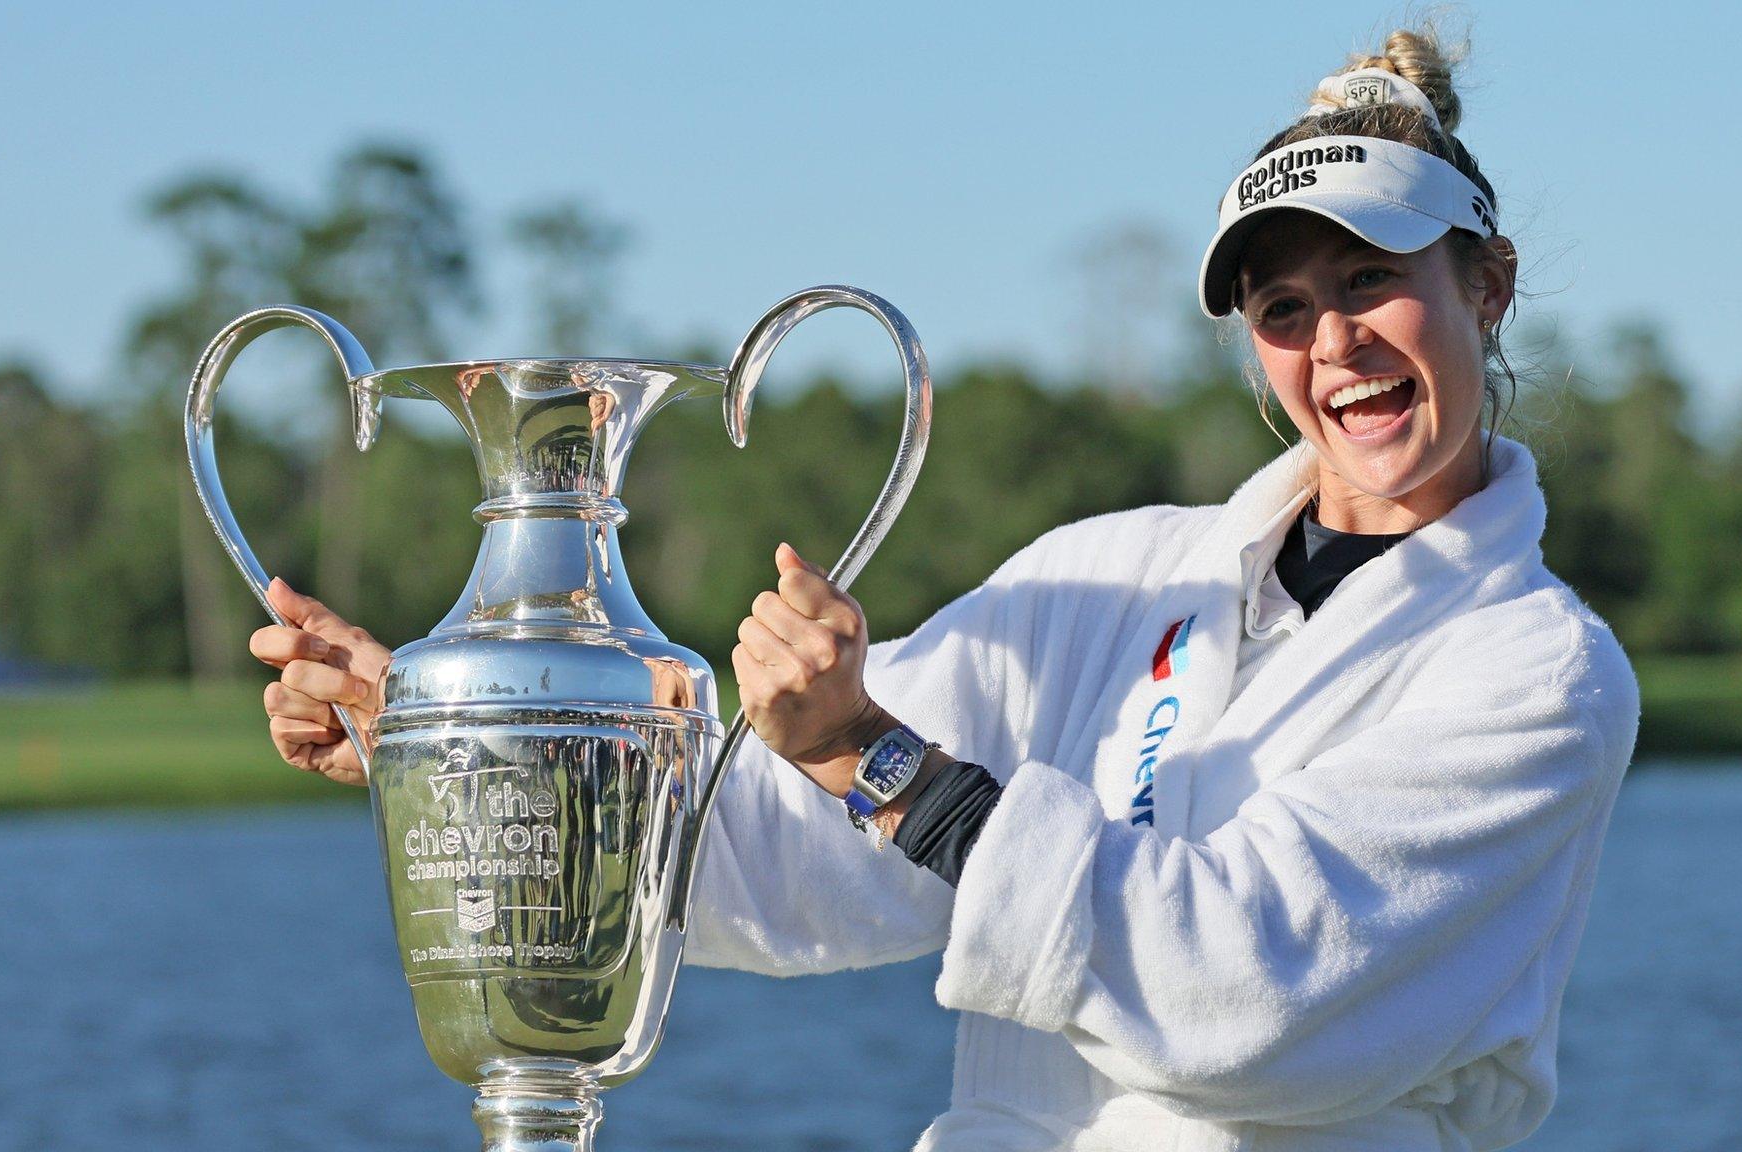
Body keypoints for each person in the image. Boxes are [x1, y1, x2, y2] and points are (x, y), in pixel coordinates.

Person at [252, 27, 1639, 1151]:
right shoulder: (1111, 577)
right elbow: (775, 861)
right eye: (1283, 309)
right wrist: (451, 749)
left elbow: (1250, 998)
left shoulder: (1534, 673)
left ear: (1490, 286)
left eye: (1374, 282)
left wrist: (874, 754)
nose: (1334, 345)